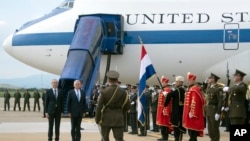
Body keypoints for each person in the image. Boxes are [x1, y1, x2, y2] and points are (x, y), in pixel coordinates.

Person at [95, 70, 130, 141]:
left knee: (105, 138)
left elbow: (99, 107)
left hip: (105, 118)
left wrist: (97, 119)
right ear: (117, 80)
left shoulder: (104, 91)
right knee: (119, 138)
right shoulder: (123, 92)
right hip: (118, 118)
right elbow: (127, 106)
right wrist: (120, 112)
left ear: (108, 80)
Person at [183, 72, 205, 141]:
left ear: (193, 80)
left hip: (193, 115)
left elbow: (194, 102)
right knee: (191, 131)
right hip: (189, 114)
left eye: (189, 80)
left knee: (193, 132)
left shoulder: (194, 89)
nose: (188, 81)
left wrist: (192, 112)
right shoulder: (191, 89)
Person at [164, 76, 186, 141]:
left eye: (176, 82)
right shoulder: (180, 89)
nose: (176, 83)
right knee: (176, 129)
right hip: (177, 111)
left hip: (178, 112)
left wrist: (166, 94)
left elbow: (171, 94)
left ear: (180, 82)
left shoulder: (179, 90)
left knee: (178, 128)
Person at [205, 73, 223, 141]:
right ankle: (212, 139)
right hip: (209, 110)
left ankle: (215, 139)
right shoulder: (209, 88)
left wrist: (218, 112)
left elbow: (220, 101)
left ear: (213, 79)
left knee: (214, 128)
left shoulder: (218, 89)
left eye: (210, 78)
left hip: (214, 109)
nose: (209, 79)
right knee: (210, 129)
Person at [156, 76, 173, 141]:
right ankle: (163, 136)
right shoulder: (163, 90)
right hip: (161, 110)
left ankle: (165, 137)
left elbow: (168, 102)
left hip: (164, 110)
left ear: (166, 83)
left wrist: (165, 109)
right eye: (162, 82)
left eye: (163, 82)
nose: (162, 83)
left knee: (164, 124)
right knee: (162, 124)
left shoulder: (167, 90)